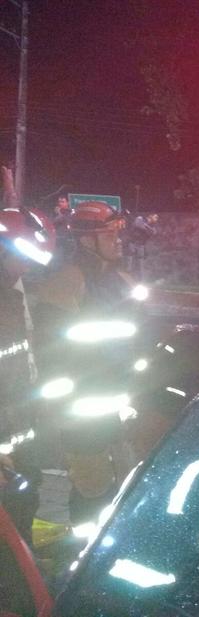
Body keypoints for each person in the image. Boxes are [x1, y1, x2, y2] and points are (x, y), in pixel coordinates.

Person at [34, 201, 142, 525]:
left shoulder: (124, 281)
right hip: (83, 413)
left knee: (125, 488)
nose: (118, 241)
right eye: (109, 234)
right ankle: (80, 549)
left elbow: (138, 337)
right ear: (86, 240)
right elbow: (49, 353)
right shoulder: (66, 282)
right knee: (92, 489)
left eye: (118, 233)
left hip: (121, 405)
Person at [0, 205, 56, 545]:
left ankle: (23, 551)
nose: (26, 267)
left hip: (18, 415)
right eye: (21, 258)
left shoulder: (13, 290)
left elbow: (21, 352)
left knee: (26, 486)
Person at [125, 212, 158, 278]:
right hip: (133, 241)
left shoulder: (152, 226)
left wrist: (146, 227)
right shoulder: (140, 218)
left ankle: (140, 276)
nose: (156, 219)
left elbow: (153, 233)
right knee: (130, 255)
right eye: (155, 217)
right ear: (150, 216)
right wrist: (146, 227)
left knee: (140, 260)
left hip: (141, 244)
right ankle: (127, 271)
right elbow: (137, 225)